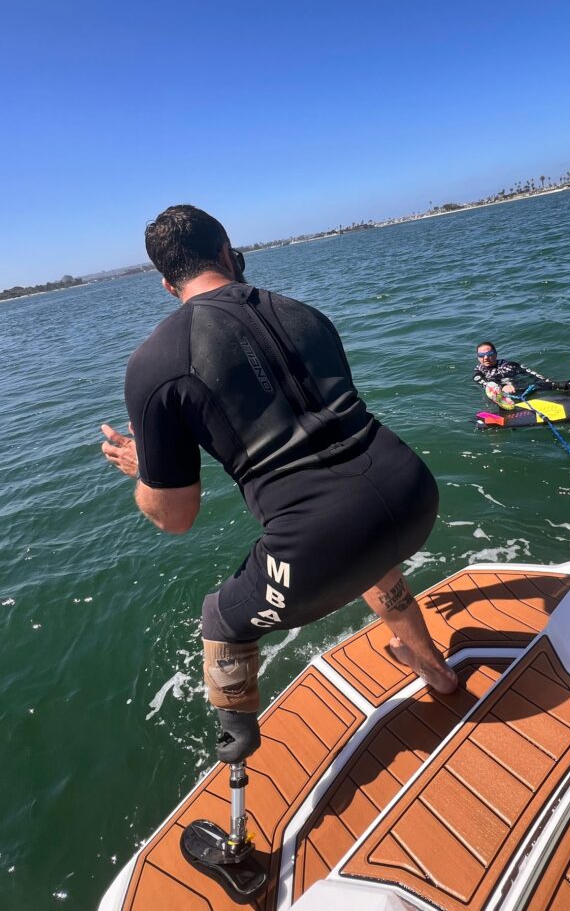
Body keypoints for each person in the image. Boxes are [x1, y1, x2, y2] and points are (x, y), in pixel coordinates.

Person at [101, 205, 457, 765]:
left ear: (166, 284)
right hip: (412, 491)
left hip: (324, 537)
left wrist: (143, 469)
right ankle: (435, 671)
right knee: (365, 549)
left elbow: (175, 517)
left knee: (221, 619)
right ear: (226, 253)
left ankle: (238, 799)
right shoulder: (302, 312)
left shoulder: (155, 363)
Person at [473, 341, 570, 398]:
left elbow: (531, 373)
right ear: (478, 357)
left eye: (489, 354)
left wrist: (546, 382)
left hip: (521, 387)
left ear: (495, 354)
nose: (485, 357)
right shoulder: (479, 372)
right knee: (496, 394)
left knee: (540, 385)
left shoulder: (509, 364)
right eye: (481, 355)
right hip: (502, 393)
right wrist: (502, 387)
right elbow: (484, 383)